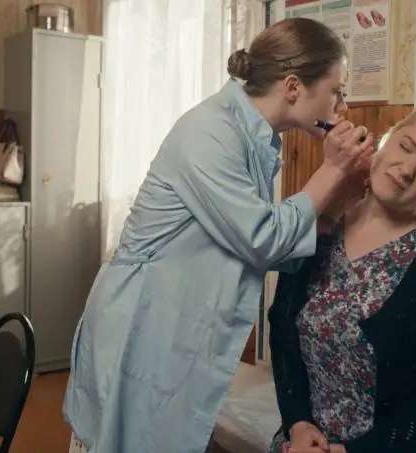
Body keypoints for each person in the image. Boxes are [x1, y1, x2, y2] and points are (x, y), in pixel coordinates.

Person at [64, 17, 376, 453]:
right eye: (336, 91)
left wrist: (335, 206)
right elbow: (262, 239)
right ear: (293, 87)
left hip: (175, 314)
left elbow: (263, 243)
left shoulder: (256, 137)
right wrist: (333, 168)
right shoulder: (209, 131)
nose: (341, 105)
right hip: (143, 317)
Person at [269, 106, 416, 453]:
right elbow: (283, 329)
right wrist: (297, 422)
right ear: (385, 138)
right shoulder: (322, 223)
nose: (407, 170)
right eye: (406, 146)